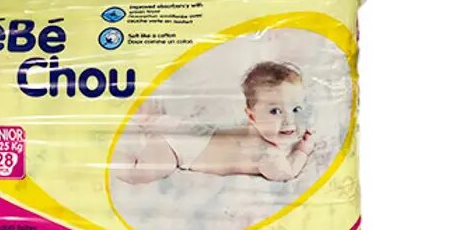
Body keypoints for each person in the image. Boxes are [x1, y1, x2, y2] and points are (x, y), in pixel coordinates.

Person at [113, 61, 315, 184]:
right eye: (275, 111)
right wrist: (302, 151)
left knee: (161, 121)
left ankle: (151, 119)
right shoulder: (268, 155)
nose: (289, 120)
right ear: (252, 117)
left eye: (296, 109)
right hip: (175, 149)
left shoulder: (252, 131)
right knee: (139, 174)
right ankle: (111, 157)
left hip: (189, 130)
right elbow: (287, 172)